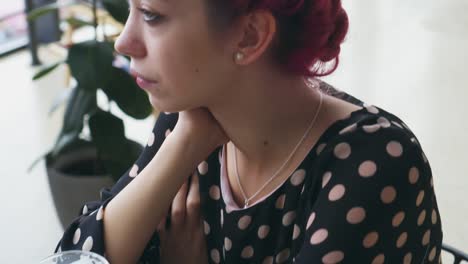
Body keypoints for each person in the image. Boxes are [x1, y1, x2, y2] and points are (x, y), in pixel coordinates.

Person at [54, 0, 443, 263]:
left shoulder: (373, 164)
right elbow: (77, 255)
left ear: (250, 36)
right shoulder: (191, 120)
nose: (123, 42)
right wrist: (183, 146)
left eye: (152, 15)